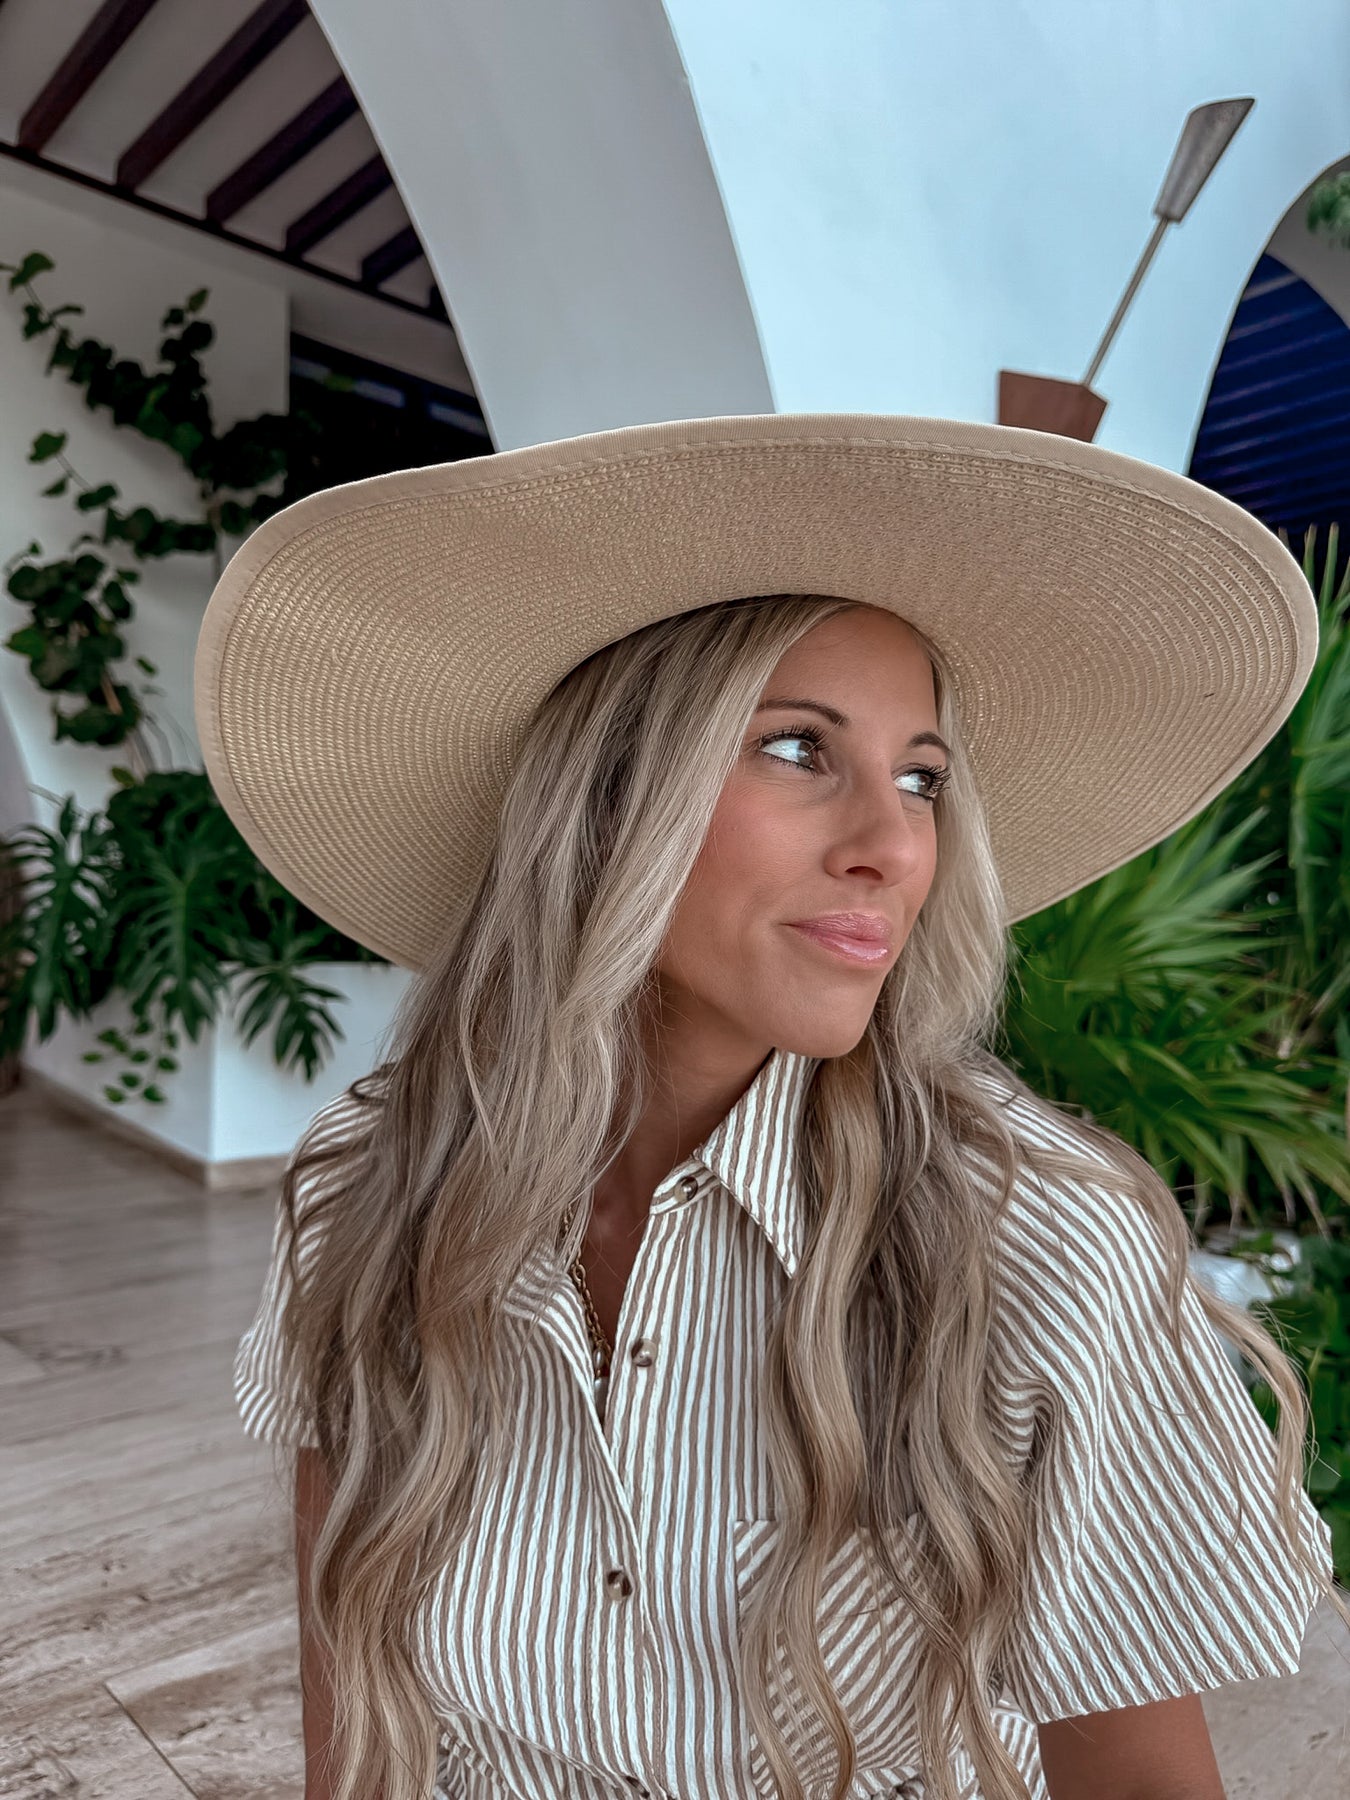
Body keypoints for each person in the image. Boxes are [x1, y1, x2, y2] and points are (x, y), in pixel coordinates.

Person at [197, 412, 1345, 1800]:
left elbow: (1141, 1781)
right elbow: (345, 1632)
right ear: (605, 797)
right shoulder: (370, 1180)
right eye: (800, 750)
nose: (894, 846)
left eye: (921, 778)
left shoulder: (1038, 1243)